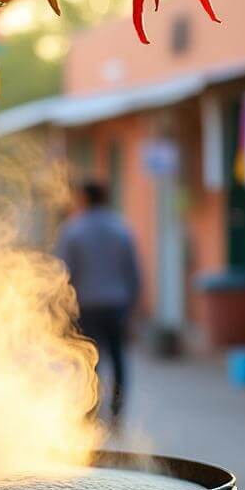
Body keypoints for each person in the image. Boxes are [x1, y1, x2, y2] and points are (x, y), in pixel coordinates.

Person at [55, 179, 141, 426]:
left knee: (89, 361)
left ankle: (90, 412)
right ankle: (117, 413)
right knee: (118, 359)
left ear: (84, 198)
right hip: (116, 304)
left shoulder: (74, 229)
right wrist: (132, 304)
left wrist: (62, 308)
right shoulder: (121, 228)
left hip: (86, 305)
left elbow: (64, 273)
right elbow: (133, 271)